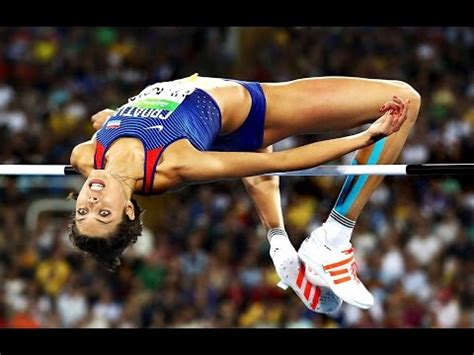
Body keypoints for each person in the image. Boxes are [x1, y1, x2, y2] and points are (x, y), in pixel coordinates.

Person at [69, 73, 420, 312]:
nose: (93, 201)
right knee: (404, 98)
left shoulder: (85, 155)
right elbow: (281, 162)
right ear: (129, 210)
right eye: (104, 214)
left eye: (83, 211)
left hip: (208, 102)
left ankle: (281, 245)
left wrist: (117, 116)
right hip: (253, 110)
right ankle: (334, 238)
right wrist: (365, 137)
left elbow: (133, 127)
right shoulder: (171, 165)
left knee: (253, 152)